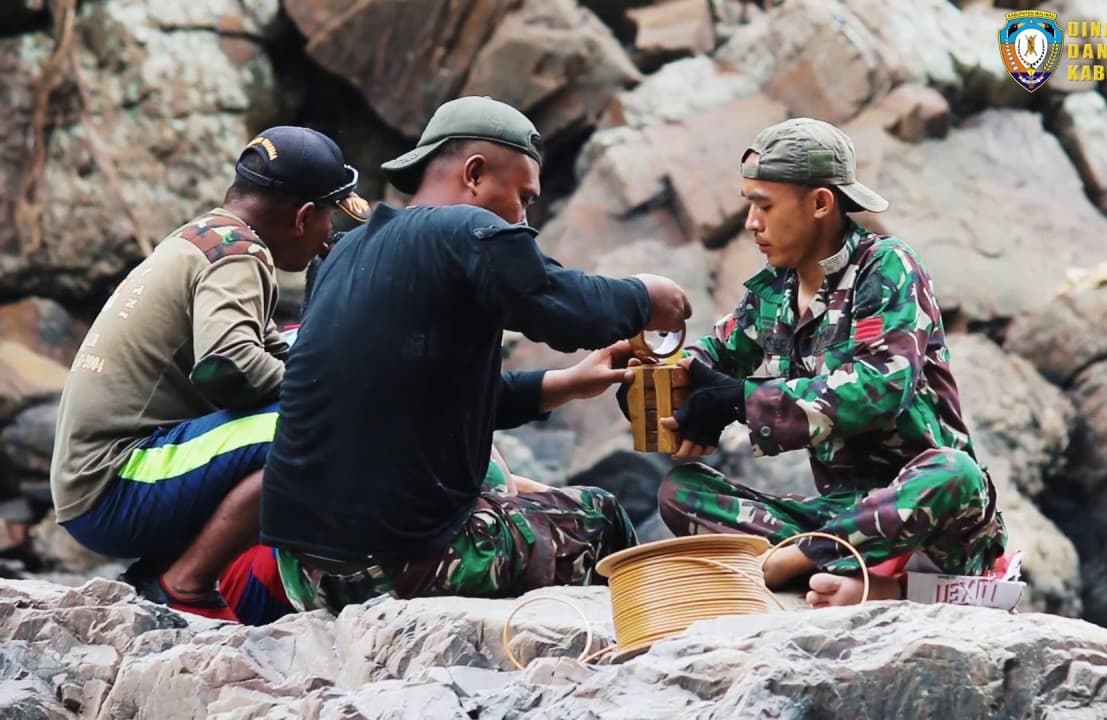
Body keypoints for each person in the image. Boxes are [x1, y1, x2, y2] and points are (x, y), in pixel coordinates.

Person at [260, 96, 693, 615]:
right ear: (475, 174)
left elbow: (430, 396)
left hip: (307, 570)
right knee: (598, 516)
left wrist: (571, 382)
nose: (524, 217)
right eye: (523, 197)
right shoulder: (465, 229)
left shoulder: (344, 253)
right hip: (398, 565)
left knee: (498, 490)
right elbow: (563, 306)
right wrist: (649, 296)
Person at [645, 117, 1008, 608]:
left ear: (819, 203)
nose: (752, 223)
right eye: (750, 205)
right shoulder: (776, 290)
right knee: (680, 490)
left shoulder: (888, 266)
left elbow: (881, 388)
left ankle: (804, 563)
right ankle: (831, 562)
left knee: (956, 472)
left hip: (926, 516)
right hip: (846, 514)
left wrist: (740, 401)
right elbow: (712, 358)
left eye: (764, 205)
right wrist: (653, 375)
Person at [49, 126, 367, 620]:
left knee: (312, 382)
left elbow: (264, 348)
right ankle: (185, 584)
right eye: (329, 219)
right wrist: (330, 394)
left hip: (94, 480)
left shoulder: (204, 237)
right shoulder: (242, 255)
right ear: (304, 217)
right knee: (321, 427)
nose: (328, 239)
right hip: (115, 483)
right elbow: (228, 362)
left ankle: (174, 565)